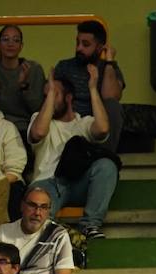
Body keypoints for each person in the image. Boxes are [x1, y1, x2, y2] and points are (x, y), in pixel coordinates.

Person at [27, 72, 115, 240]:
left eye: (55, 93)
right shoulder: (38, 120)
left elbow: (103, 129)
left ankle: (90, 225)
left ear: (68, 98)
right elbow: (38, 133)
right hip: (49, 182)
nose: (49, 98)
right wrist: (51, 96)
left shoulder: (83, 123)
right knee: (40, 216)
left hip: (78, 182)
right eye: (46, 95)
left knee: (106, 165)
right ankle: (51, 237)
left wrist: (92, 88)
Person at [0, 25, 47, 134]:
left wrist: (23, 85)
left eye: (16, 40)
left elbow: (38, 108)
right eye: (5, 39)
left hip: (23, 128)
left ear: (21, 46)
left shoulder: (33, 69)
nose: (10, 44)